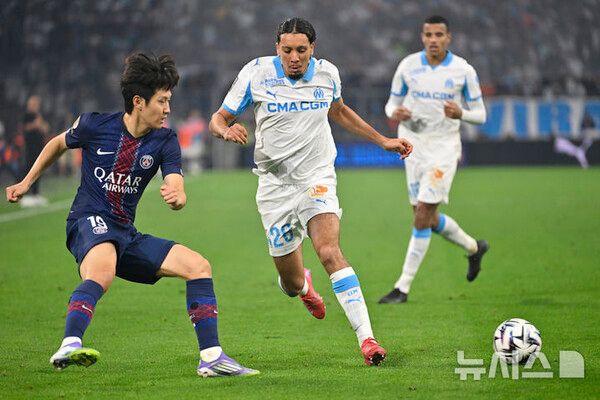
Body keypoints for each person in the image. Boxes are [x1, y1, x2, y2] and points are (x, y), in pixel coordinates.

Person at [5, 53, 258, 378]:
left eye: (169, 101)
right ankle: (69, 343)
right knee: (103, 269)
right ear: (138, 101)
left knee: (198, 267)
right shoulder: (94, 125)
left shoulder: (165, 139)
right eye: (162, 101)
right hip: (87, 221)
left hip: (125, 232)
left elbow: (175, 181)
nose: (168, 109)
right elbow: (57, 143)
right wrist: (27, 182)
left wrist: (178, 196)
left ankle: (211, 358)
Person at [208, 17, 412, 366]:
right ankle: (304, 286)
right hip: (274, 187)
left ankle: (367, 339)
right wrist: (225, 131)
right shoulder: (256, 74)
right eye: (287, 50)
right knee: (289, 283)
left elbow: (339, 111)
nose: (294, 57)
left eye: (301, 50)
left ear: (312, 49)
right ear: (277, 48)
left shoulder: (327, 74)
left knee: (329, 251)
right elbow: (219, 117)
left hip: (316, 177)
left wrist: (383, 140)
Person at [378, 16, 489, 305]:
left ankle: (402, 287)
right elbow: (391, 103)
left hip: (443, 148)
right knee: (424, 216)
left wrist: (461, 113)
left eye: (439, 34)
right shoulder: (408, 66)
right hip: (412, 146)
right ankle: (474, 247)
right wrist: (395, 113)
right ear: (422, 37)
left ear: (448, 37)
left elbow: (481, 115)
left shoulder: (463, 70)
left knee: (422, 215)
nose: (433, 40)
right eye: (429, 35)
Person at [20, 95, 50, 207]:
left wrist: (41, 124)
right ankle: (25, 194)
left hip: (39, 147)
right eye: (33, 104)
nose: (35, 106)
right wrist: (35, 124)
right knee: (29, 169)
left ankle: (35, 194)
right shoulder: (27, 116)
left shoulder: (39, 116)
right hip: (30, 147)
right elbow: (24, 128)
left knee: (39, 169)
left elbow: (45, 129)